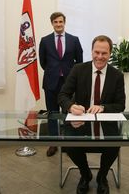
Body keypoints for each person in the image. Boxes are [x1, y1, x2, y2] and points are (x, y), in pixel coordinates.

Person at [58, 35, 125, 194]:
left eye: (104, 53)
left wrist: (103, 107)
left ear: (110, 54)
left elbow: (121, 105)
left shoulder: (117, 75)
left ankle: (102, 176)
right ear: (91, 51)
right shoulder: (78, 69)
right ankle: (85, 174)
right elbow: (62, 96)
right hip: (80, 121)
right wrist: (71, 106)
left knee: (114, 144)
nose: (100, 57)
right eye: (97, 52)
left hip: (105, 123)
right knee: (70, 144)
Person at [39, 12, 83, 157]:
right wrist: (55, 72)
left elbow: (80, 62)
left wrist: (69, 74)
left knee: (68, 113)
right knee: (52, 113)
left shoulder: (74, 40)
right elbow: (43, 62)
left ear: (64, 22)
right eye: (55, 22)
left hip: (68, 84)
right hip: (51, 83)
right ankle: (53, 143)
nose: (58, 24)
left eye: (61, 22)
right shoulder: (45, 41)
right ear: (52, 23)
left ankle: (67, 143)